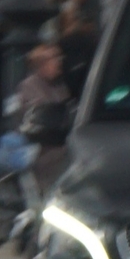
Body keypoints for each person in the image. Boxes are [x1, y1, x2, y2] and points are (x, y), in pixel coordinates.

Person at [14, 39, 74, 190]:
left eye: (59, 57)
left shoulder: (59, 85)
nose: (59, 62)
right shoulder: (28, 86)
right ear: (42, 64)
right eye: (54, 58)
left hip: (59, 145)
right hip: (42, 150)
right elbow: (39, 117)